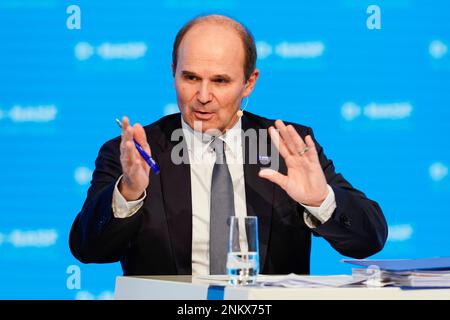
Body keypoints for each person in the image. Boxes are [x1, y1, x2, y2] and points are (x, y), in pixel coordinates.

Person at [69, 14, 388, 276]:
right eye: (191, 78)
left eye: (220, 81)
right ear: (173, 72)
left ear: (250, 82)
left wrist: (321, 200)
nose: (203, 96)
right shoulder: (133, 153)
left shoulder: (286, 146)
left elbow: (369, 240)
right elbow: (88, 249)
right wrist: (129, 193)